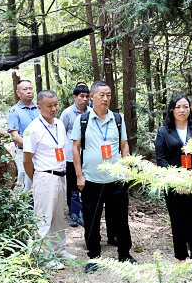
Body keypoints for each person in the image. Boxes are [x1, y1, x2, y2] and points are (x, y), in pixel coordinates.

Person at [71, 80, 137, 273]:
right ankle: (94, 257)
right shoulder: (82, 120)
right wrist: (79, 175)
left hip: (116, 179)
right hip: (91, 180)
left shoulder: (117, 119)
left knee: (121, 219)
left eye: (108, 95)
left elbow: (124, 146)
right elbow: (75, 148)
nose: (106, 98)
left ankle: (124, 254)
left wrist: (126, 170)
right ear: (92, 97)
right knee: (92, 220)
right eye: (102, 95)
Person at [23, 90, 76, 264]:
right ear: (39, 107)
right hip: (44, 177)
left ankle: (59, 250)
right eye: (49, 106)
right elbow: (27, 161)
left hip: (61, 176)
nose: (54, 109)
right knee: (44, 218)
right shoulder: (33, 129)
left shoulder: (60, 125)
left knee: (59, 217)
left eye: (56, 105)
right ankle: (45, 255)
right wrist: (37, 178)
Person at [155, 94, 192, 261]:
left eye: (185, 106)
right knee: (177, 222)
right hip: (172, 184)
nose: (182, 110)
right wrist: (175, 180)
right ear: (172, 109)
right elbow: (161, 158)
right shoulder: (163, 131)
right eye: (178, 107)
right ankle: (181, 258)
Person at [60, 82, 91, 227]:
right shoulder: (67, 113)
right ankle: (73, 214)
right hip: (70, 155)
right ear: (74, 97)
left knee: (86, 184)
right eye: (81, 96)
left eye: (86, 97)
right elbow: (61, 132)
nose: (84, 100)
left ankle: (84, 212)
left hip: (87, 155)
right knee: (72, 185)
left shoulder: (91, 112)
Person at [7, 79, 39, 194]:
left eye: (30, 88)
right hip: (23, 152)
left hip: (41, 153)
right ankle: (23, 208)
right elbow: (15, 136)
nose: (28, 91)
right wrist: (32, 146)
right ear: (18, 92)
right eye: (25, 89)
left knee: (40, 183)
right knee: (24, 184)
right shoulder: (14, 111)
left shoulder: (40, 108)